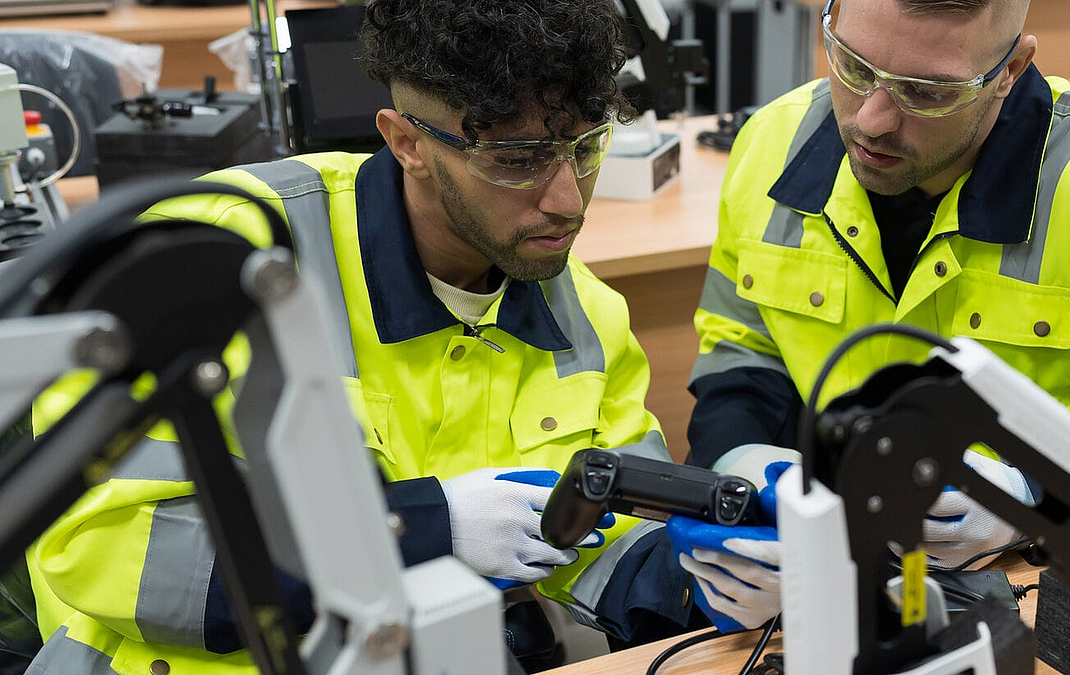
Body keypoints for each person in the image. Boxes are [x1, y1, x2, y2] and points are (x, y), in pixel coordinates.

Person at [22, 1, 709, 672]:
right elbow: (102, 549)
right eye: (516, 158)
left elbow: (610, 528)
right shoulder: (216, 259)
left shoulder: (586, 312)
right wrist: (420, 529)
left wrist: (704, 577)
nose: (568, 199)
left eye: (585, 147)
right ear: (406, 141)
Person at [674, 0, 1070, 631]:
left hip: (1034, 594)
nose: (871, 119)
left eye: (927, 92)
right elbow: (742, 353)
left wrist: (1035, 496)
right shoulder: (771, 145)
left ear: (1011, 68)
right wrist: (742, 477)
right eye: (853, 65)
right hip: (830, 592)